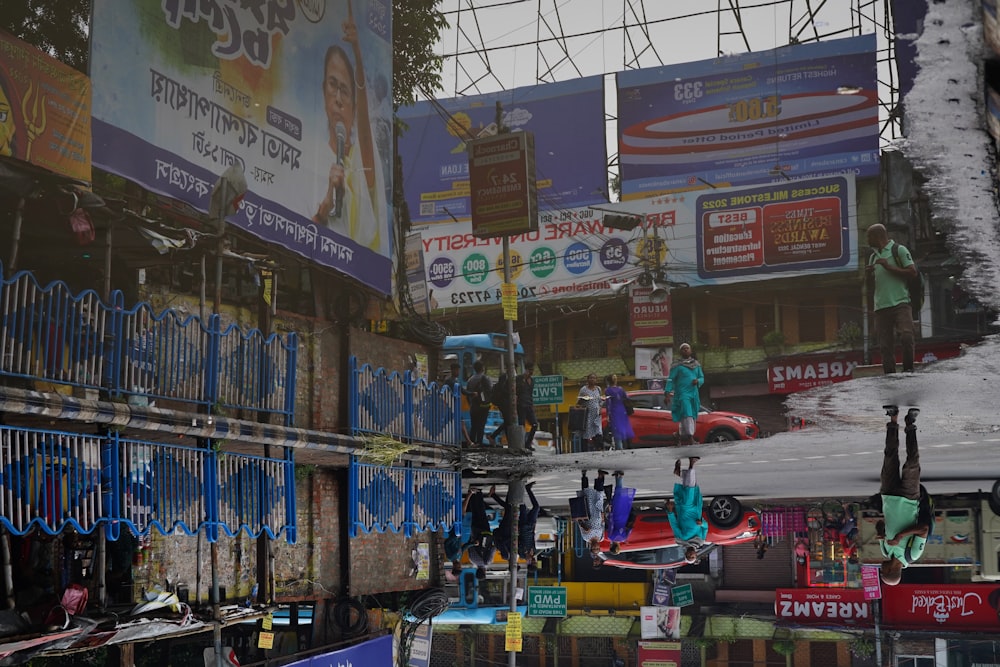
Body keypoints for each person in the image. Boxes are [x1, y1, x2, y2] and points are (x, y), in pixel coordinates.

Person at [313, 0, 387, 254]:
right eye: (333, 85)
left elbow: (365, 125)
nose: (339, 98)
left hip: (365, 278)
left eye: (345, 90)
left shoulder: (361, 161)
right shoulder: (311, 157)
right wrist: (325, 205)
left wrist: (357, 51)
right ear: (323, 92)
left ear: (354, 106)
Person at [877, 405, 928, 585]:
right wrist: (899, 537)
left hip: (888, 495)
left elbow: (881, 524)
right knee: (912, 462)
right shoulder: (911, 555)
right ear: (891, 571)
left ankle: (893, 419)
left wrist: (880, 532)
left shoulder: (885, 552)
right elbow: (923, 529)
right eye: (883, 571)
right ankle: (910, 424)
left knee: (890, 456)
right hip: (909, 498)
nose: (880, 568)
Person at [866, 223, 917, 373]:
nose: (868, 240)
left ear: (877, 236)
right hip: (881, 308)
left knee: (907, 336)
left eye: (869, 236)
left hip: (901, 303)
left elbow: (912, 272)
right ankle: (890, 376)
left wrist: (889, 267)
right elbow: (871, 286)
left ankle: (908, 371)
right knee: (885, 346)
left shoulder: (899, 250)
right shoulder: (872, 257)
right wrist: (868, 274)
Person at [667, 457, 706, 563]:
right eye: (693, 557)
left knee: (689, 489)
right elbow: (705, 528)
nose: (691, 555)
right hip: (697, 510)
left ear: (685, 554)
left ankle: (691, 464)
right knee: (692, 488)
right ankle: (679, 472)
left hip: (685, 510)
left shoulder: (680, 540)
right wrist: (701, 523)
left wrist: (670, 512)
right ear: (696, 555)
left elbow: (674, 525)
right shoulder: (701, 541)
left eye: (689, 556)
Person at [665, 343, 704, 446]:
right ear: (680, 352)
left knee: (690, 416)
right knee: (688, 414)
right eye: (683, 349)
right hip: (683, 394)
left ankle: (677, 435)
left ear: (690, 351)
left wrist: (698, 381)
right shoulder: (677, 365)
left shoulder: (696, 364)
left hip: (694, 394)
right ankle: (690, 438)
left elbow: (702, 377)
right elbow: (670, 380)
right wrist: (667, 393)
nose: (686, 350)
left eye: (687, 348)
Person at [573, 470, 609, 567]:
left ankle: (584, 476)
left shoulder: (586, 538)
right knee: (599, 496)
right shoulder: (601, 538)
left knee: (586, 495)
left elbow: (580, 524)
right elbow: (603, 526)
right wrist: (603, 518)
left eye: (594, 548)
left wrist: (585, 528)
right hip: (598, 513)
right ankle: (600, 476)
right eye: (597, 548)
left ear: (591, 548)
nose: (596, 547)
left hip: (588, 512)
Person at [463, 487, 497, 581]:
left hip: (485, 533)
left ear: (484, 572)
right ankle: (473, 494)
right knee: (475, 513)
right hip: (474, 532)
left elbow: (493, 549)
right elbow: (469, 546)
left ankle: (479, 494)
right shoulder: (472, 560)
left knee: (482, 513)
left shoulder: (487, 561)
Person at [605, 471, 637, 554]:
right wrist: (610, 512)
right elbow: (611, 524)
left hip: (624, 517)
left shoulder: (624, 538)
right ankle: (619, 478)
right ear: (611, 546)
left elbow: (630, 528)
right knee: (616, 497)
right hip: (616, 515)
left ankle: (618, 478)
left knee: (621, 499)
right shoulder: (611, 537)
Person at [463, 361, 491, 447]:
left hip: (473, 406)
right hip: (483, 406)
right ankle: (479, 443)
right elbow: (490, 392)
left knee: (474, 426)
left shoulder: (470, 380)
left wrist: (471, 403)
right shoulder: (485, 378)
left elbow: (467, 394)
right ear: (482, 368)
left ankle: (471, 443)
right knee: (481, 425)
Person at [604, 374, 634, 451]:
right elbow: (626, 398)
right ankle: (621, 447)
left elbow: (608, 403)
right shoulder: (620, 389)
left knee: (617, 429)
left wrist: (608, 415)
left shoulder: (608, 390)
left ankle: (620, 447)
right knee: (621, 429)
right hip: (620, 411)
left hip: (616, 411)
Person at [444, 363, 472, 446]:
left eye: (458, 370)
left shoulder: (457, 380)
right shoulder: (449, 381)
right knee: (452, 423)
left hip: (455, 406)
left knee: (459, 423)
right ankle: (467, 442)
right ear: (452, 370)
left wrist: (471, 394)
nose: (458, 371)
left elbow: (462, 390)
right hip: (451, 405)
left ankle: (468, 442)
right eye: (456, 370)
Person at [516, 363, 540, 449]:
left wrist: (532, 404)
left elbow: (530, 394)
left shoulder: (532, 381)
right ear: (525, 370)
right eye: (529, 370)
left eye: (532, 370)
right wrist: (524, 379)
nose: (531, 372)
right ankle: (521, 444)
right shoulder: (519, 378)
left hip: (529, 405)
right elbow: (517, 390)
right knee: (521, 424)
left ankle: (528, 443)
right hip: (521, 405)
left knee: (534, 424)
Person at [577, 373, 604, 451]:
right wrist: (583, 398)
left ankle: (599, 448)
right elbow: (578, 402)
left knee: (597, 431)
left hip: (596, 414)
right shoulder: (584, 389)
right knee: (587, 432)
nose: (592, 380)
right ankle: (584, 450)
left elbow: (600, 400)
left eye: (594, 378)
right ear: (587, 379)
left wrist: (600, 408)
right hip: (587, 414)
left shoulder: (598, 389)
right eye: (591, 378)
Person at [488, 370, 511, 446]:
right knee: (508, 421)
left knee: (507, 422)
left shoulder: (508, 377)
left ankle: (507, 440)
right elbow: (502, 389)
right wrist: (510, 393)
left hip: (505, 403)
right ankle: (493, 436)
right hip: (503, 403)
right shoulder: (505, 377)